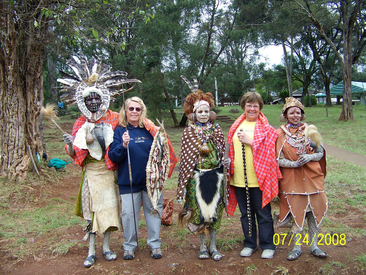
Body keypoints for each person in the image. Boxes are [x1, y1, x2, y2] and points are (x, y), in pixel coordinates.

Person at [58, 55, 140, 268]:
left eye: (96, 99)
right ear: (83, 102)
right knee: (93, 212)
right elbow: (74, 153)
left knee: (109, 210)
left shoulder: (112, 118)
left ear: (102, 100)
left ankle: (107, 247)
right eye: (89, 100)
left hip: (108, 172)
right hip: (91, 174)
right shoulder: (80, 122)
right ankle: (91, 250)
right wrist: (69, 143)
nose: (93, 102)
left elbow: (133, 119)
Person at [109, 96, 177, 261]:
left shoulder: (150, 129)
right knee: (128, 214)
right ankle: (129, 246)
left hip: (151, 183)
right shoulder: (119, 131)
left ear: (142, 111)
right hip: (128, 182)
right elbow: (113, 156)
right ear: (125, 111)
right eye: (130, 109)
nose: (134, 112)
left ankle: (155, 245)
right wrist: (123, 145)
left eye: (137, 109)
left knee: (154, 212)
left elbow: (163, 152)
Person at [177, 76, 229, 261]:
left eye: (207, 111)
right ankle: (201, 246)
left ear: (210, 112)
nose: (204, 114)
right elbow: (186, 158)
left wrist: (223, 163)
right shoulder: (188, 132)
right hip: (196, 177)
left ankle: (213, 246)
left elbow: (223, 150)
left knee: (214, 212)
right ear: (194, 113)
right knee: (198, 211)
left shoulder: (216, 129)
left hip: (215, 176)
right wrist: (187, 179)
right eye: (200, 111)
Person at [226, 91, 282, 259]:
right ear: (243, 107)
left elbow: (272, 153)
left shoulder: (267, 128)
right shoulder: (236, 126)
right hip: (239, 179)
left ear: (260, 108)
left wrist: (251, 142)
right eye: (248, 105)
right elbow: (231, 148)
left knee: (263, 214)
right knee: (246, 213)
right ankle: (250, 243)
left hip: (260, 179)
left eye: (255, 106)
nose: (252, 108)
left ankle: (267, 245)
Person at [276, 97, 328, 261]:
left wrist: (310, 158)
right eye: (291, 112)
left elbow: (320, 152)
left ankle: (314, 245)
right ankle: (296, 247)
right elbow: (277, 159)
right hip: (292, 180)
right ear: (285, 114)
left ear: (302, 114)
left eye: (298, 112)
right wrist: (294, 164)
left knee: (313, 211)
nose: (295, 115)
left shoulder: (310, 130)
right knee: (296, 211)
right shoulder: (280, 134)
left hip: (312, 178)